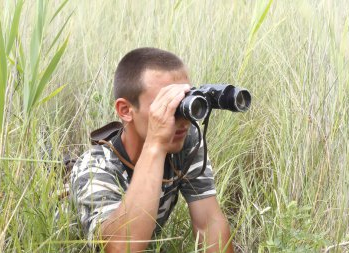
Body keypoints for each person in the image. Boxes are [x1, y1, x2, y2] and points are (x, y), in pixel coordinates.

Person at [70, 47, 234, 252]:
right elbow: (121, 248)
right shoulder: (95, 167)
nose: (183, 121)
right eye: (166, 107)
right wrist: (155, 145)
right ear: (125, 110)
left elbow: (208, 225)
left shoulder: (185, 141)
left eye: (184, 103)